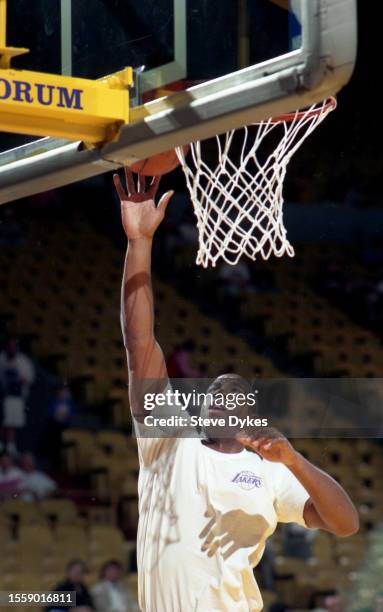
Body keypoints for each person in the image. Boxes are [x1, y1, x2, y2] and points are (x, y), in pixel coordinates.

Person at [114, 168, 359, 612]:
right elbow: (139, 343)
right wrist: (139, 243)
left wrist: (294, 460)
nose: (224, 393)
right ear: (203, 409)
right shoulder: (170, 439)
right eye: (215, 391)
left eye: (237, 392)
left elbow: (345, 523)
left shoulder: (272, 473)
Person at [0, 337, 35, 455]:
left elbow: (29, 379)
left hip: (17, 397)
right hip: (3, 396)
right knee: (3, 421)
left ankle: (10, 446)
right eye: (10, 346)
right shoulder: (1, 358)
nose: (12, 348)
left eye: (14, 346)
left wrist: (18, 379)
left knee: (12, 422)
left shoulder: (23, 361)